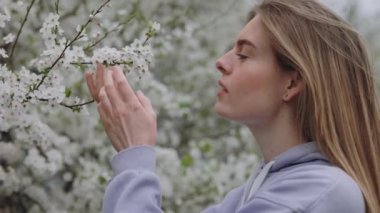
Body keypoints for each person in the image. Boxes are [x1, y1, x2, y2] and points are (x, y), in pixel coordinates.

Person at [85, 0, 380, 212]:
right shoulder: (251, 194)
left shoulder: (322, 193)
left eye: (244, 55)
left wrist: (134, 158)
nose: (221, 62)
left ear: (292, 83)